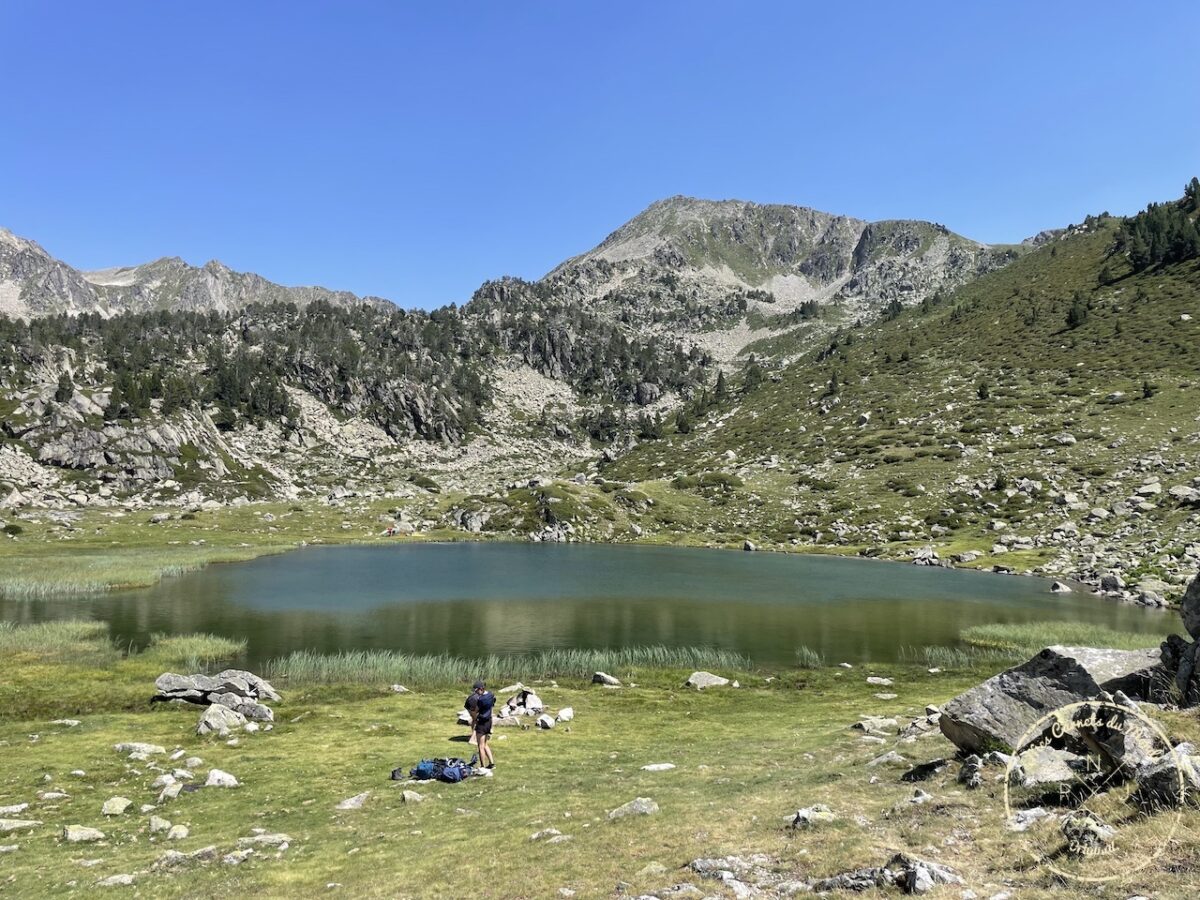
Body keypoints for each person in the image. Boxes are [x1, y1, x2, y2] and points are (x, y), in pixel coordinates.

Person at [467, 679, 496, 769]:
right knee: (485, 744)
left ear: (481, 689)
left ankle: (482, 766)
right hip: (489, 722)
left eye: (476, 690)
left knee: (480, 746)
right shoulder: (491, 695)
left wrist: (473, 714)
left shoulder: (481, 699)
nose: (475, 692)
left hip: (482, 723)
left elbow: (475, 711)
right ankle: (491, 763)